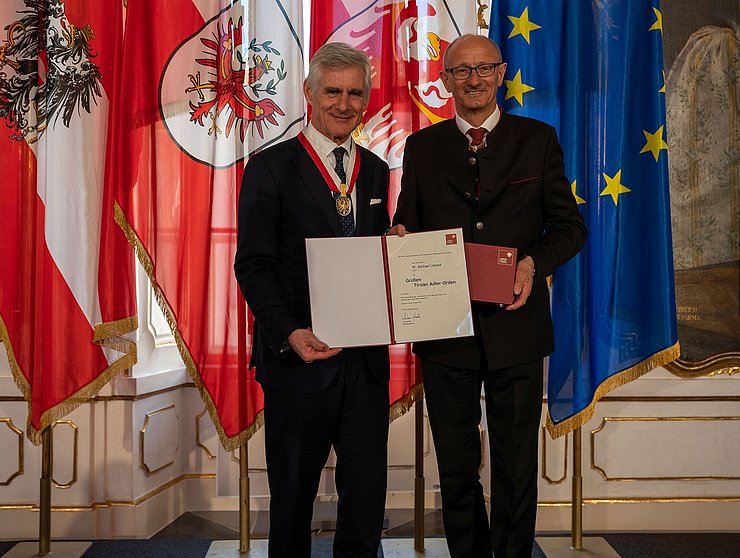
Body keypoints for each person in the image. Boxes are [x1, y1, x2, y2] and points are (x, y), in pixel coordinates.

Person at [390, 34, 586, 558]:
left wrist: (532, 263)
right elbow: (405, 223)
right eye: (461, 71)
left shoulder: (538, 139)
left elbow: (570, 229)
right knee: (456, 469)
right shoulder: (422, 147)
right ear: (446, 80)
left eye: (483, 69)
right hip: (445, 332)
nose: (473, 79)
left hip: (517, 332)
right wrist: (401, 240)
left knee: (516, 468)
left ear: (501, 74)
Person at [234, 42, 390, 558]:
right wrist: (290, 333)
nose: (344, 104)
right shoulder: (270, 167)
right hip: (298, 360)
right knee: (293, 504)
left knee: (365, 503)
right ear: (308, 93)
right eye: (332, 92)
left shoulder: (375, 169)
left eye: (355, 93)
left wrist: (399, 250)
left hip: (364, 366)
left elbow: (372, 255)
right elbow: (253, 265)